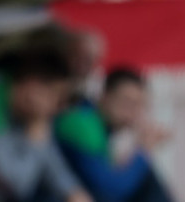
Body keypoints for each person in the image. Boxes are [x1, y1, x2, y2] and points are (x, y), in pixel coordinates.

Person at [0, 49, 92, 202]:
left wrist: (73, 191)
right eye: (58, 98)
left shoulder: (25, 109)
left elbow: (52, 161)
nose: (59, 108)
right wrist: (35, 143)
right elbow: (15, 184)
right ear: (33, 86)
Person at [55, 68, 173, 202]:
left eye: (140, 105)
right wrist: (143, 151)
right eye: (127, 101)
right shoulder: (81, 122)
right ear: (104, 96)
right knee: (147, 179)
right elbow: (109, 190)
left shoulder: (101, 128)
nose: (133, 111)